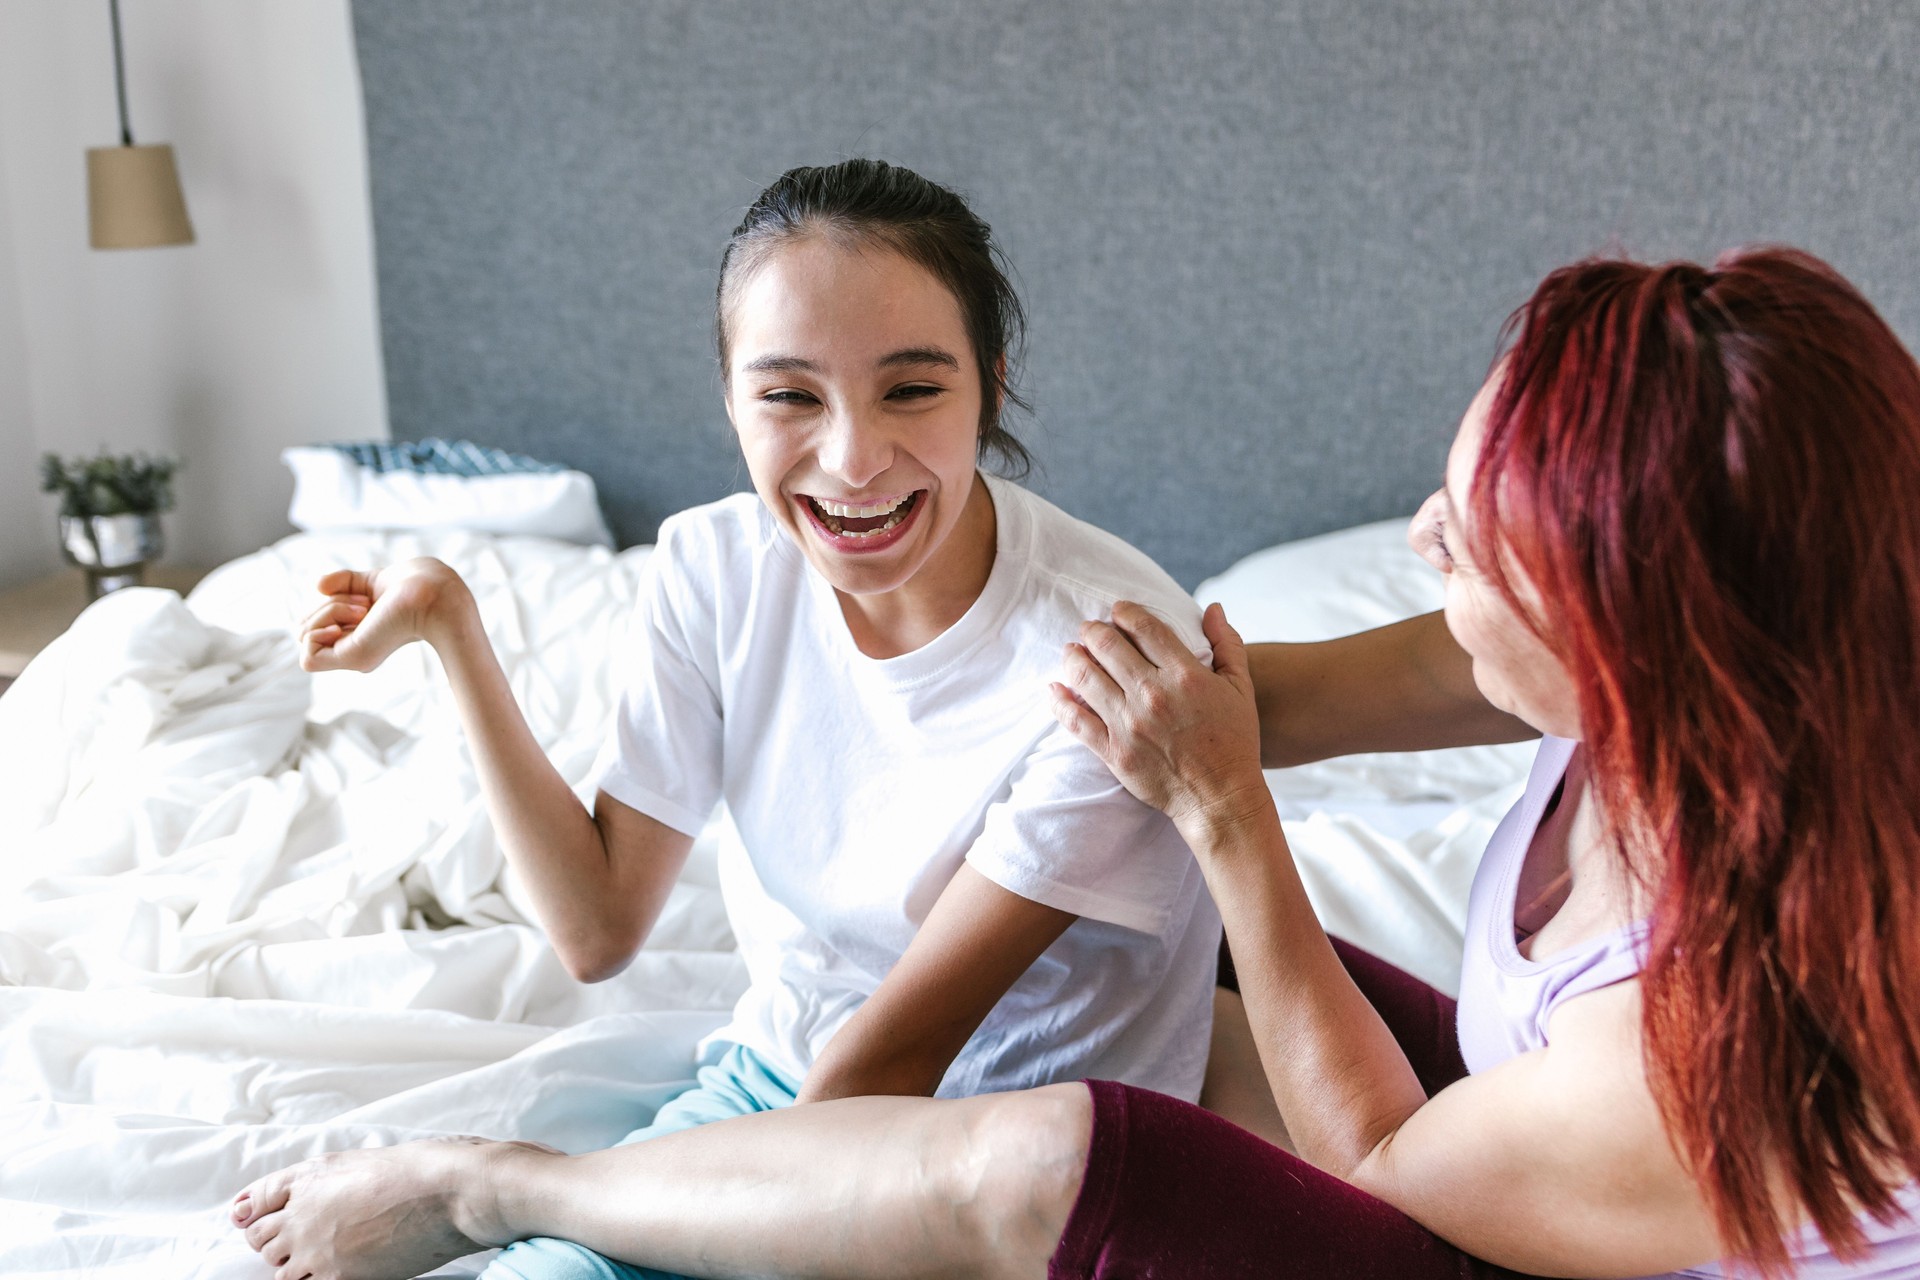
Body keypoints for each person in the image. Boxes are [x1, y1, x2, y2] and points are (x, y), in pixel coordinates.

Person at [233, 247, 1920, 1278]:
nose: (1421, 547)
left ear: (1639, 628)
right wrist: (1122, 700)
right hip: (1545, 1148)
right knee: (1172, 962)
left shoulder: (1706, 1042)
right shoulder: (1716, 691)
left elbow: (1398, 1158)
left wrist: (1222, 811)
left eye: (1480, 549)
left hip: (1573, 1248)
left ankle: (492, 1185)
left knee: (1055, 1152)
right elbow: (1265, 698)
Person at [234, 159, 1219, 1280]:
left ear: (988, 387)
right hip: (778, 1084)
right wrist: (452, 631)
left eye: (911, 390)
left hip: (1000, 1178)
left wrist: (498, 1187)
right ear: (730, 398)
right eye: (790, 395)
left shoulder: (1107, 649)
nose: (852, 460)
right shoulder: (712, 568)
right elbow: (597, 927)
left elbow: (890, 1070)